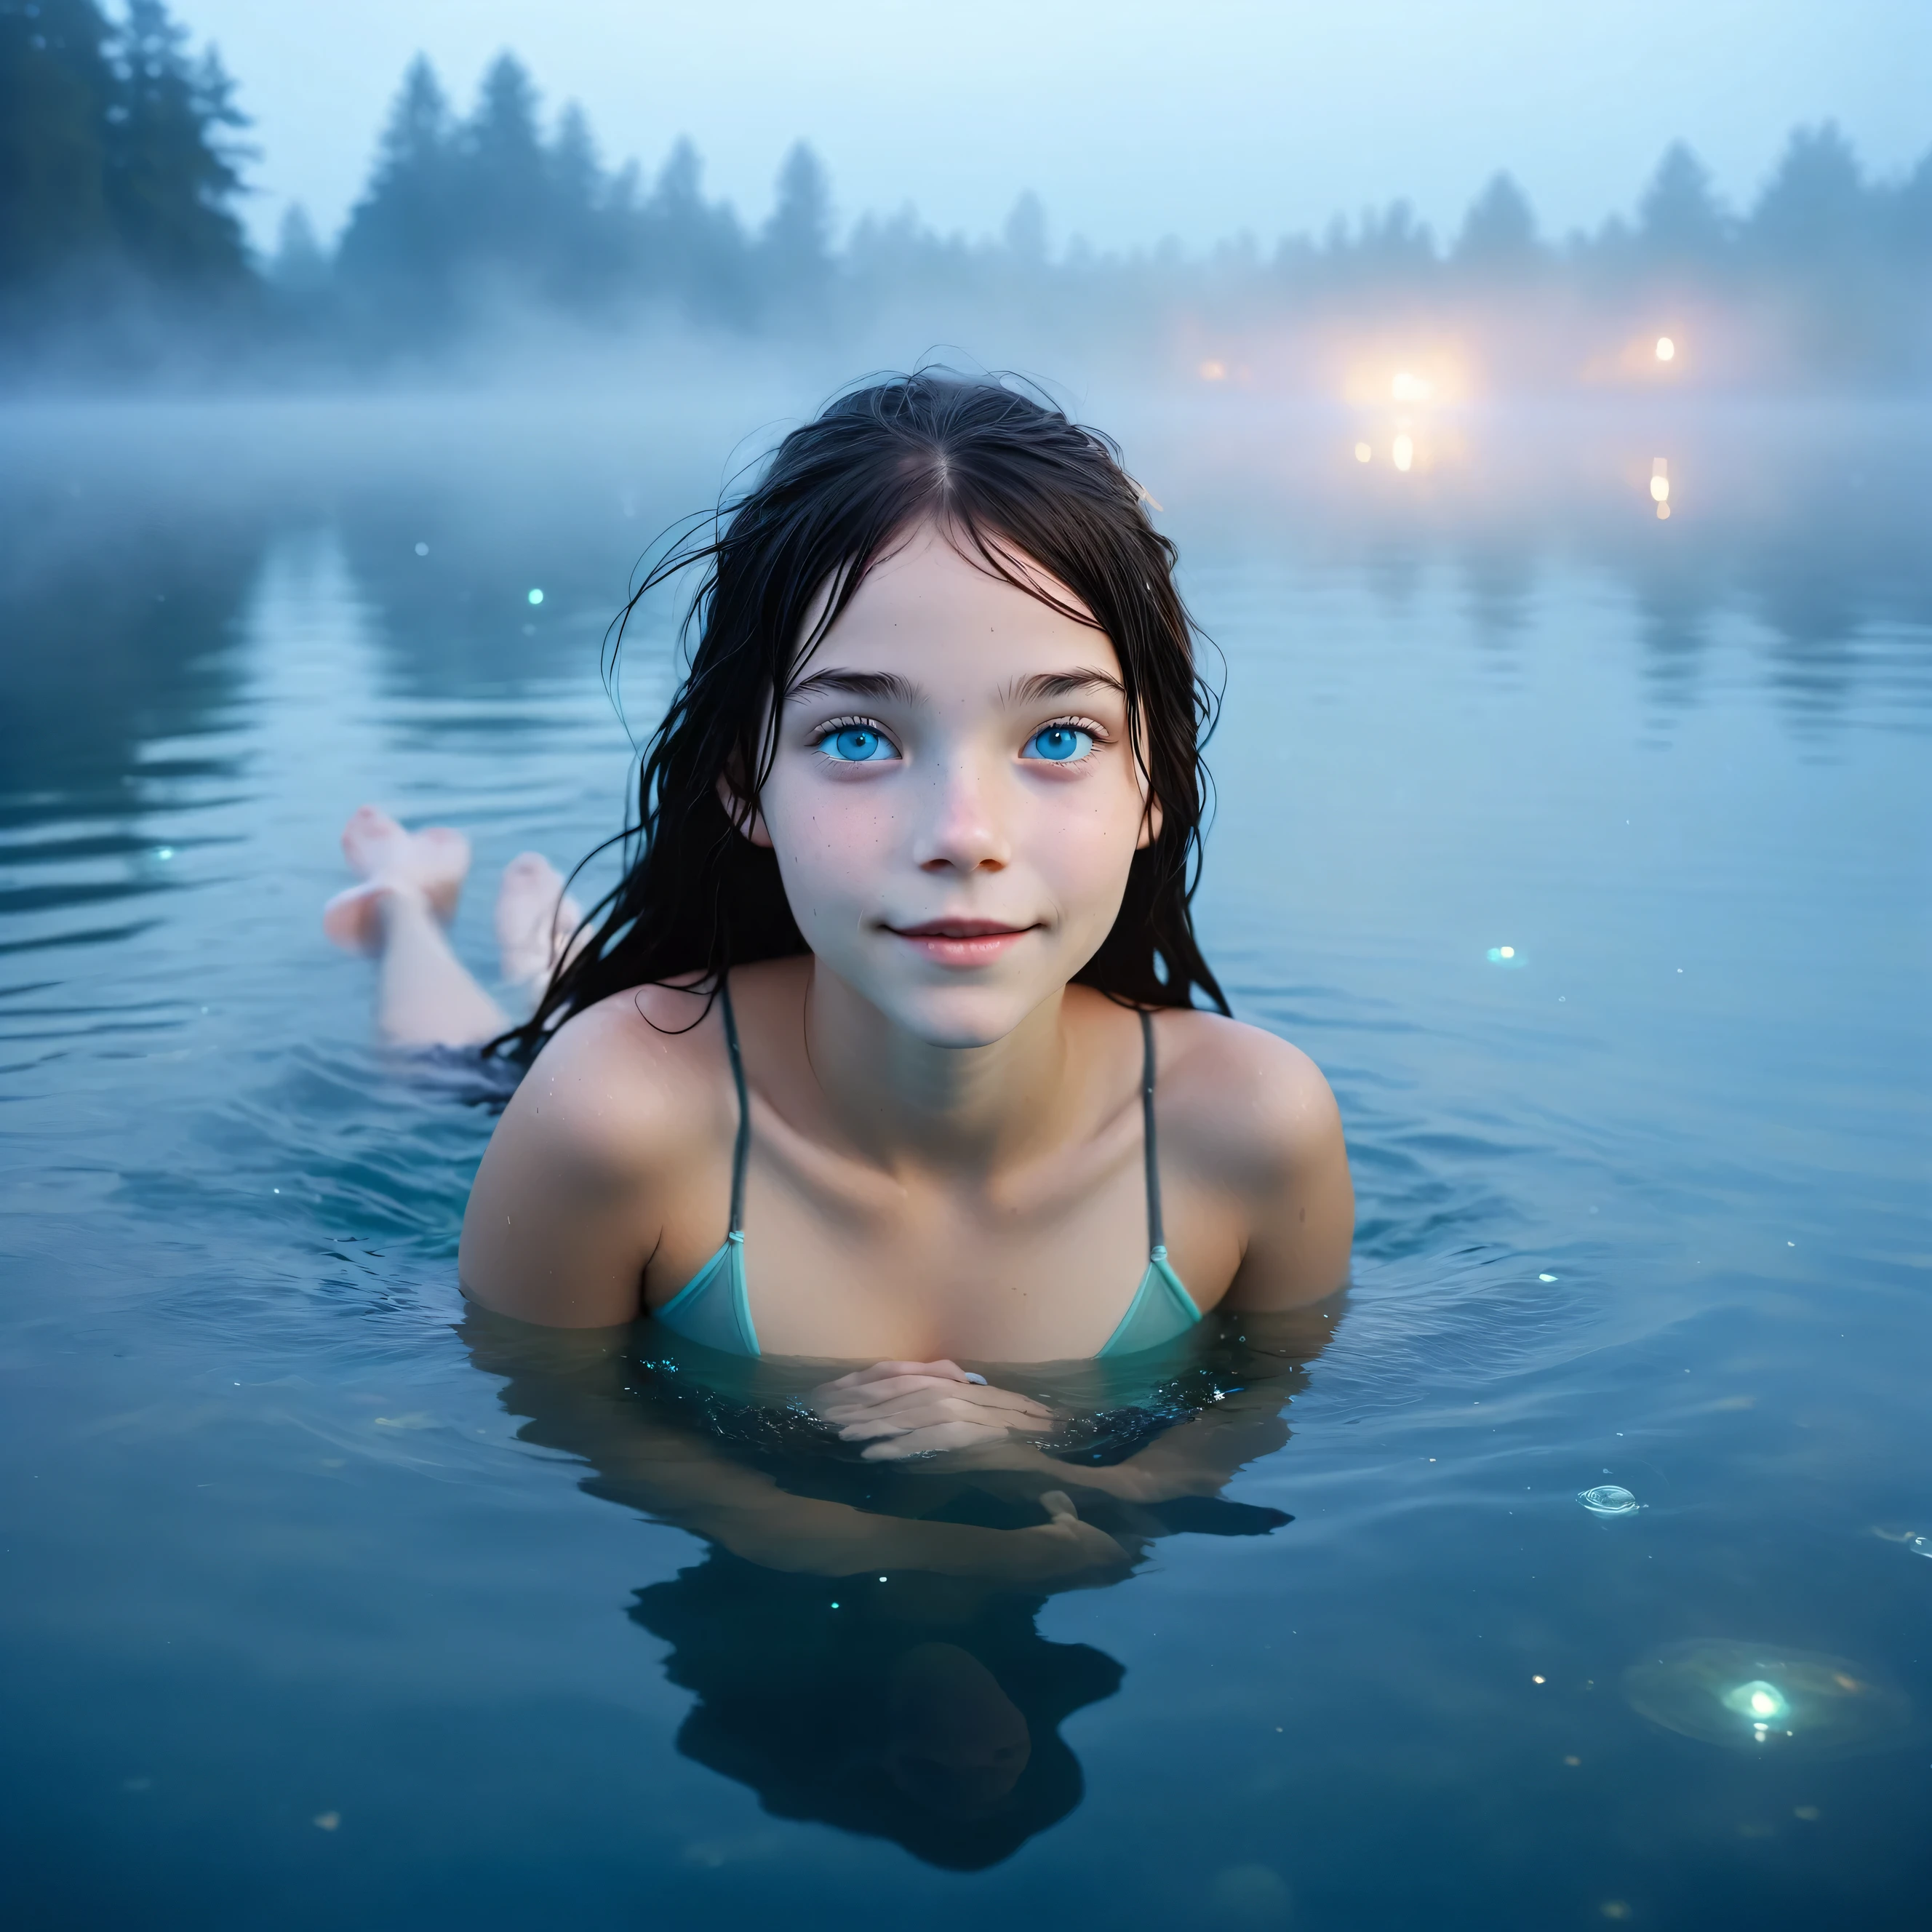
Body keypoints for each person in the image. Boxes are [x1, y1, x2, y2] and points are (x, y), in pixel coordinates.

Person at [325, 373, 1353, 1477]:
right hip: (652, 1059)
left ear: (1154, 786)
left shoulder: (1254, 1130)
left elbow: (1260, 1418)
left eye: (1058, 738)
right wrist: (999, 1526)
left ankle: (551, 968)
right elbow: (566, 1428)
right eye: (860, 737)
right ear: (743, 781)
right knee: (458, 1078)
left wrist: (1043, 1473)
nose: (964, 837)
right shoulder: (611, 1124)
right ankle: (405, 913)